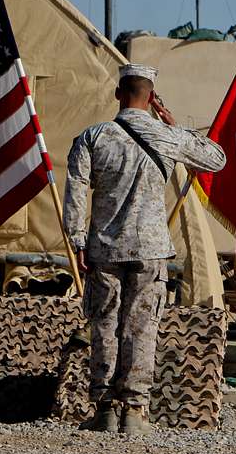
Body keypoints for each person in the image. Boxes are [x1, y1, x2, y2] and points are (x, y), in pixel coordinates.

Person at [63, 63, 226, 434]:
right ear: (152, 98)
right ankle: (134, 412)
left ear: (118, 94)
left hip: (104, 248)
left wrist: (76, 240)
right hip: (151, 249)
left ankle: (104, 410)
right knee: (142, 328)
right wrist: (172, 126)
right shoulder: (167, 138)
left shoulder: (93, 137)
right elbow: (216, 159)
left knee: (104, 326)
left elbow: (75, 193)